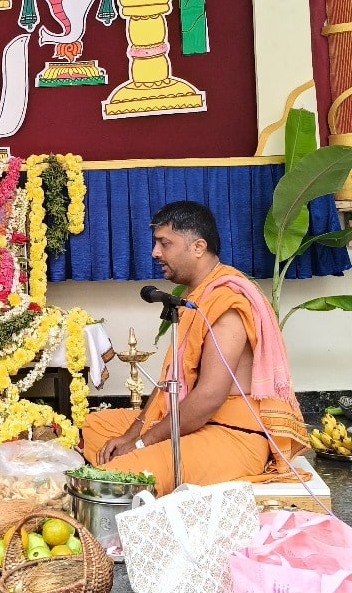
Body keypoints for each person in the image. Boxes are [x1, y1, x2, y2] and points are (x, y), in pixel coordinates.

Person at [81, 200, 309, 494]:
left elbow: (208, 398)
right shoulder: (196, 295)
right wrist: (133, 432)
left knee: (115, 477)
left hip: (231, 435)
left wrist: (140, 442)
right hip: (195, 422)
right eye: (156, 243)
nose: (155, 253)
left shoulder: (225, 301)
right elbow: (168, 386)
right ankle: (133, 466)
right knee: (95, 425)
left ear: (198, 247)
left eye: (165, 243)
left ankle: (128, 476)